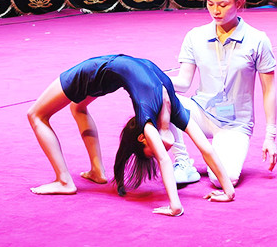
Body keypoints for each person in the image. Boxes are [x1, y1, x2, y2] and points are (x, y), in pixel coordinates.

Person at [26, 54, 235, 216]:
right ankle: (76, 177)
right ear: (143, 138)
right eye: (153, 151)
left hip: (108, 75)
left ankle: (81, 176)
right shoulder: (153, 113)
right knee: (41, 114)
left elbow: (205, 148)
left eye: (152, 152)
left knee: (61, 110)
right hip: (94, 71)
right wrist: (175, 206)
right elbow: (165, 159)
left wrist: (228, 191)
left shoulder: (165, 114)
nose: (158, 152)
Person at [169, 0, 277, 187]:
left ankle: (220, 153)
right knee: (161, 96)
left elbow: (269, 90)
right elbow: (183, 83)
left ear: (240, 2)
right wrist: (152, 77)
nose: (215, 11)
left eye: (223, 4)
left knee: (224, 180)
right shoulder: (195, 36)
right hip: (200, 112)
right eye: (210, 3)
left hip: (235, 123)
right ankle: (183, 163)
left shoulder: (258, 40)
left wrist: (270, 137)